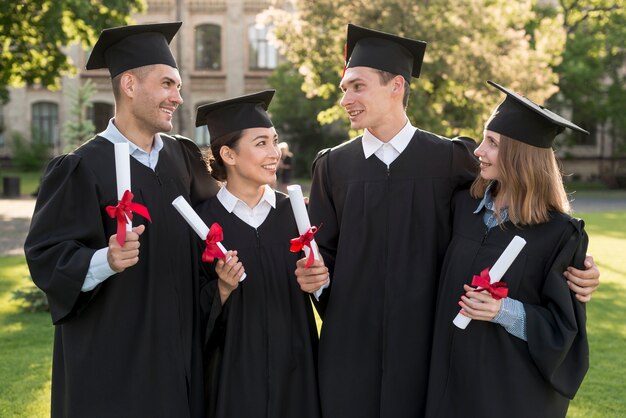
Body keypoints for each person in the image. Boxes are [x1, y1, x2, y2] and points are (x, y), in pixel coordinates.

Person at [295, 24, 600, 418]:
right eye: (344, 89)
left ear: (396, 86)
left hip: (427, 350)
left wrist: (577, 264)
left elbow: (520, 196)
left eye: (357, 86)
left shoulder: (450, 158)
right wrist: (314, 280)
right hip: (351, 344)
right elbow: (325, 258)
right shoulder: (333, 165)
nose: (346, 99)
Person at [24, 22, 218, 417]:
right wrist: (105, 260)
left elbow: (217, 218)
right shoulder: (80, 167)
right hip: (112, 362)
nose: (177, 98)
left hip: (179, 353)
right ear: (129, 85)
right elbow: (47, 258)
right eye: (167, 84)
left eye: (177, 86)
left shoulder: (181, 156)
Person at [425, 81, 590, 417]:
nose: (478, 151)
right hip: (450, 384)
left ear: (521, 157)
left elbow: (564, 332)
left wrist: (503, 311)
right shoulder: (460, 208)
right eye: (483, 138)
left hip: (511, 393)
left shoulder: (559, 234)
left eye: (492, 143)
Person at [194, 90, 322, 418]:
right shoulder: (202, 224)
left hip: (296, 368)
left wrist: (319, 280)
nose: (275, 152)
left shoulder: (296, 215)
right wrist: (222, 288)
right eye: (261, 142)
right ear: (229, 154)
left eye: (275, 140)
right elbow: (188, 310)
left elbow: (327, 293)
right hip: (232, 374)